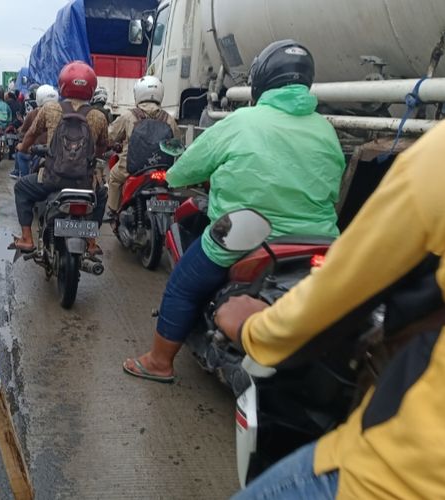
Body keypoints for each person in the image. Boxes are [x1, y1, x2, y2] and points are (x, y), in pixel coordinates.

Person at [215, 110, 445, 499]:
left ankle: (158, 356)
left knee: (190, 278)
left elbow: (326, 310)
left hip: (409, 478)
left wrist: (249, 328)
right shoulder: (324, 130)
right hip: (320, 233)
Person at [122, 40, 345, 382]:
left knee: (182, 287)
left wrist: (178, 174)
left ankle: (158, 361)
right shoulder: (325, 129)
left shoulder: (241, 121)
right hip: (318, 240)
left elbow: (184, 170)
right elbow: (332, 186)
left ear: (261, 80)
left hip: (246, 235)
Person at [11, 61, 109, 256]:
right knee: (103, 194)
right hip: (85, 183)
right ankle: (90, 241)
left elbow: (30, 134)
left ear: (63, 84)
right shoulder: (99, 116)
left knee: (21, 188)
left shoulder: (50, 109)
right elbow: (103, 146)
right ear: (92, 87)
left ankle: (27, 238)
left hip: (51, 179)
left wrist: (22, 147)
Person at [105, 76, 180, 222]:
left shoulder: (129, 116)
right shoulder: (168, 118)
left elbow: (109, 136)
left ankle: (113, 212)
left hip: (131, 168)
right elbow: (176, 143)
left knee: (114, 178)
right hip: (162, 169)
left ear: (138, 93)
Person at [10, 84, 58, 179]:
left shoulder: (34, 113)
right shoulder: (63, 111)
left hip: (38, 151)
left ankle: (24, 178)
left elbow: (26, 133)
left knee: (20, 154)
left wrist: (22, 145)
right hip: (57, 153)